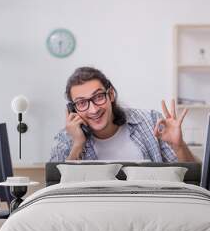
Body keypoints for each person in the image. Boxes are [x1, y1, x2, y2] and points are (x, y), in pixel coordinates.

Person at [50, 67, 196, 162]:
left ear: (111, 94)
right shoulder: (65, 139)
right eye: (81, 103)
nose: (93, 110)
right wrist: (77, 145)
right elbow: (55, 190)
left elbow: (192, 178)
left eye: (99, 97)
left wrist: (179, 146)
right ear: (73, 109)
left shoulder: (152, 121)